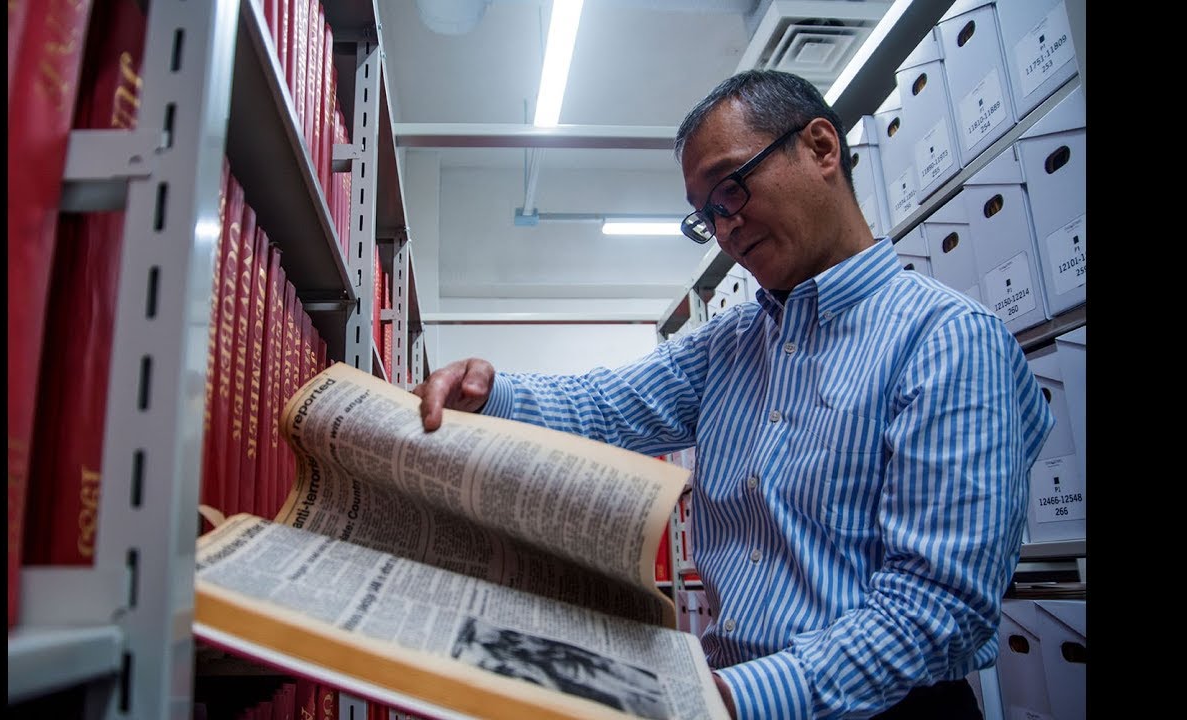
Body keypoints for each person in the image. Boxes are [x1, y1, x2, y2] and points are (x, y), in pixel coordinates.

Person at [412, 69, 1055, 719]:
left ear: (822, 148)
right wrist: (489, 393)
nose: (724, 228)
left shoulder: (949, 341)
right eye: (706, 216)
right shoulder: (729, 343)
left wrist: (736, 697)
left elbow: (937, 609)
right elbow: (606, 406)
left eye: (730, 189)